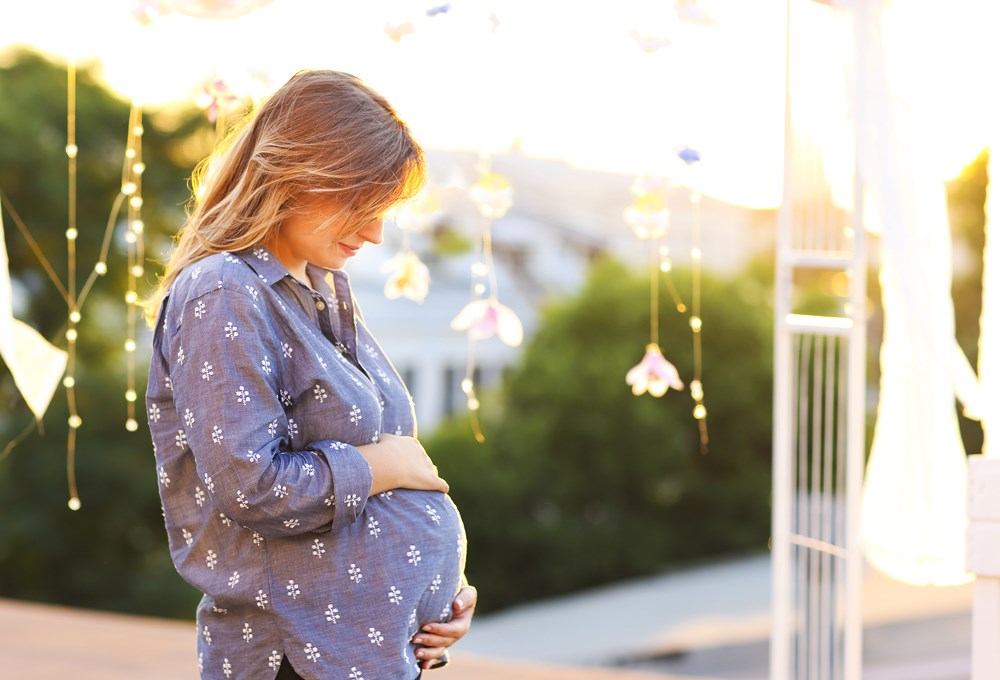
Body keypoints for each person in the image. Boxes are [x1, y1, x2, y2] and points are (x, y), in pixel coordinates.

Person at [143, 70, 475, 680]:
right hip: (295, 657)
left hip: (367, 653)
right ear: (297, 178)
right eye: (361, 207)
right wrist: (386, 466)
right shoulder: (222, 290)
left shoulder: (316, 289)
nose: (375, 233)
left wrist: (440, 592)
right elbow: (254, 488)